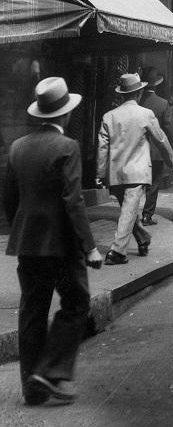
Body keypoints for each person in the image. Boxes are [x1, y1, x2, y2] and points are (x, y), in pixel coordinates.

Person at [4, 77, 103, 405]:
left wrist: (22, 227)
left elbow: (9, 198)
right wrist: (89, 245)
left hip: (28, 242)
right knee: (76, 303)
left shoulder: (17, 147)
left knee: (32, 309)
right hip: (60, 244)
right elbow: (72, 201)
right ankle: (50, 370)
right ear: (65, 115)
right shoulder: (67, 147)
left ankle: (31, 387)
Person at [97, 72, 173, 265]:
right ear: (139, 94)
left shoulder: (109, 116)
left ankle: (128, 244)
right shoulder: (145, 114)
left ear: (121, 94)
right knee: (129, 211)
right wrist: (172, 161)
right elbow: (161, 139)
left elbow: (102, 148)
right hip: (138, 172)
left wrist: (100, 174)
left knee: (127, 210)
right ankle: (119, 251)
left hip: (115, 174)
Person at [139, 66, 173, 226]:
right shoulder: (163, 104)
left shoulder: (137, 102)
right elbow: (168, 129)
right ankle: (147, 215)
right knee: (153, 184)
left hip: (137, 150)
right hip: (155, 151)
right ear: (157, 84)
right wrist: (171, 151)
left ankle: (131, 215)